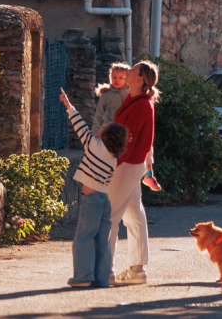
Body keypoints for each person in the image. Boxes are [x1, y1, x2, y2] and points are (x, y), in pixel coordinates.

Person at [60, 87, 129, 288]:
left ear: (105, 137)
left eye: (104, 127)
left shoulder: (94, 145)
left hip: (91, 202)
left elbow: (79, 125)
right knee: (102, 243)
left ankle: (82, 277)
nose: (100, 126)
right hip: (104, 201)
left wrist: (68, 105)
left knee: (83, 238)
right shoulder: (113, 159)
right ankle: (101, 279)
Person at [108, 60, 159, 285]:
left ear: (140, 79)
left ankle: (105, 270)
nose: (127, 72)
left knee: (110, 216)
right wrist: (147, 170)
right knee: (133, 215)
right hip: (132, 164)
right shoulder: (135, 100)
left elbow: (130, 138)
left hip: (126, 164)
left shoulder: (140, 104)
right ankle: (137, 269)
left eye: (132, 70)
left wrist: (114, 163)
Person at [91, 62, 129, 134]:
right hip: (106, 132)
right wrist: (94, 134)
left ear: (127, 79)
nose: (117, 80)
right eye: (114, 77)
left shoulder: (130, 94)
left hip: (123, 133)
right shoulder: (106, 94)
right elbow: (98, 116)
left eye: (121, 78)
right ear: (110, 77)